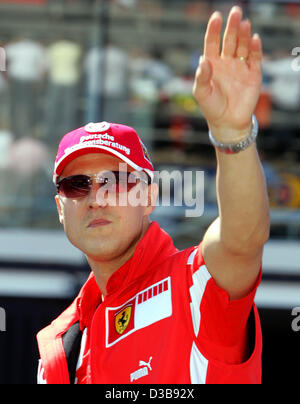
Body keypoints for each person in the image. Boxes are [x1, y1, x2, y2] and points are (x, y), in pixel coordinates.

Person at [37, 6, 270, 384]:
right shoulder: (60, 342)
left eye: (116, 181)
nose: (97, 197)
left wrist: (232, 134)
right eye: (76, 185)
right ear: (60, 207)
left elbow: (243, 239)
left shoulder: (196, 284)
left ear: (149, 198)